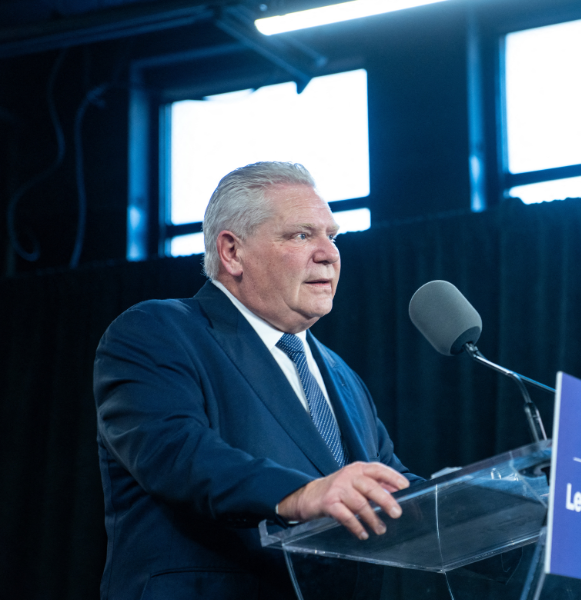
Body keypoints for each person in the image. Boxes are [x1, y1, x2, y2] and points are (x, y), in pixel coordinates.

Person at [94, 162, 419, 600]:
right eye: (302, 235)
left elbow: (390, 488)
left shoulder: (343, 376)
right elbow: (176, 451)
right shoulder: (158, 331)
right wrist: (298, 493)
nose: (329, 252)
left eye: (332, 235)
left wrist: (505, 502)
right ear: (232, 252)